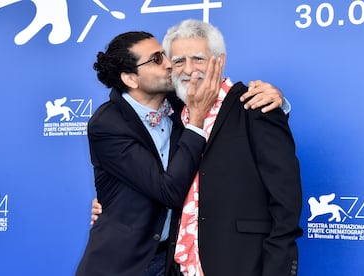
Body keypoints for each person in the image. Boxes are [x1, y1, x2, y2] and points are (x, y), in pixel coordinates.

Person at [92, 19, 303, 276]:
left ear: (220, 60)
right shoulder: (178, 112)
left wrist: (277, 98)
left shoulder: (255, 105)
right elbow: (162, 183)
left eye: (198, 59)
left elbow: (286, 200)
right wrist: (113, 204)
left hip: (240, 263)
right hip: (170, 265)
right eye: (178, 60)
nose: (187, 69)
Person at [76, 31, 223, 276]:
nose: (169, 64)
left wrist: (275, 98)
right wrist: (196, 121)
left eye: (165, 55)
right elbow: (168, 191)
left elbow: (231, 106)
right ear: (131, 79)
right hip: (123, 264)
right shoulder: (107, 124)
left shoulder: (182, 105)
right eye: (156, 60)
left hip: (172, 261)